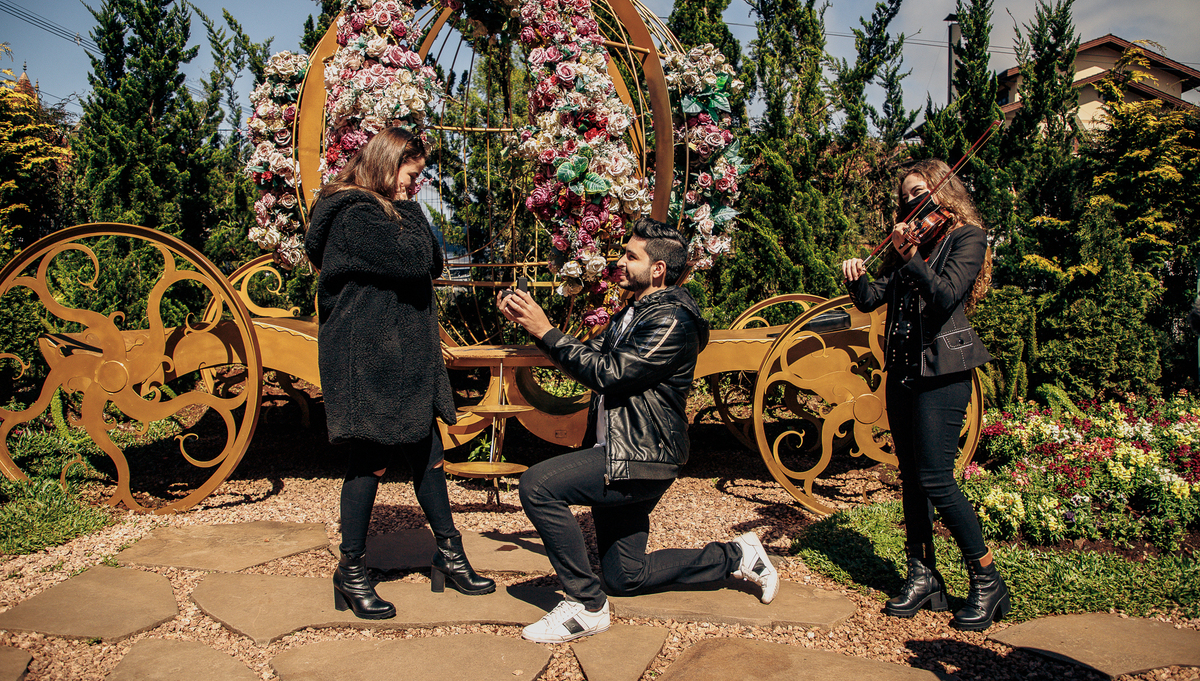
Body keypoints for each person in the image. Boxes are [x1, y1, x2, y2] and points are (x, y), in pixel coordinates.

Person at [498, 218, 778, 643]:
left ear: (659, 269)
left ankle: (585, 606)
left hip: (644, 458)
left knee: (539, 486)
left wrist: (545, 330)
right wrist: (533, 325)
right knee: (626, 576)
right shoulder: (634, 312)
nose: (621, 262)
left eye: (632, 256)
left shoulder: (672, 322)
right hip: (620, 448)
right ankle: (738, 556)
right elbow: (593, 354)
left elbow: (610, 373)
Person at [304, 126, 495, 619]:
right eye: (411, 174)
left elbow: (429, 259)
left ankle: (449, 554)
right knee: (369, 459)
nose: (417, 184)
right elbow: (418, 259)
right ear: (387, 167)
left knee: (427, 452)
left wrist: (406, 207)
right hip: (370, 360)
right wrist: (408, 207)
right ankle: (350, 570)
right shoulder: (354, 215)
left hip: (401, 357)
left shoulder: (383, 210)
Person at [841, 159, 1009, 632]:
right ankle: (923, 573)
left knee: (937, 480)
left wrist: (910, 256)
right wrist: (858, 277)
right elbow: (875, 299)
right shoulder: (913, 246)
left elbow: (944, 296)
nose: (912, 203)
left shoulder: (966, 239)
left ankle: (987, 577)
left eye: (920, 193)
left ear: (942, 191)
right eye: (906, 197)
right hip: (903, 372)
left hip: (944, 372)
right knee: (912, 479)